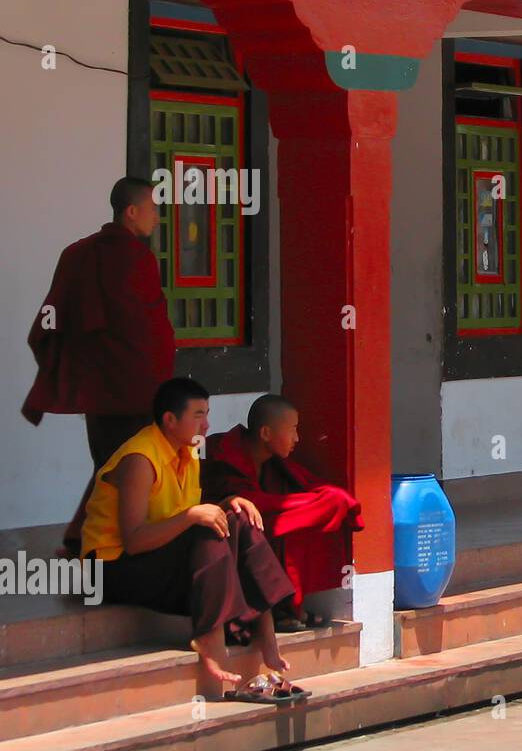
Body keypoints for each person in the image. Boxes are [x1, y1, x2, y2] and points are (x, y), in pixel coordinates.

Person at [81, 377, 295, 691]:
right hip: (111, 569)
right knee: (204, 534)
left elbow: (183, 516)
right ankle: (210, 640)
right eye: (198, 415)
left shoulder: (186, 451)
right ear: (170, 420)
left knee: (238, 519)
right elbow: (135, 540)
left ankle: (266, 631)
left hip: (159, 557)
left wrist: (225, 504)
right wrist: (192, 516)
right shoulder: (139, 460)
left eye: (207, 414)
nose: (207, 425)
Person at [23, 177, 175, 557]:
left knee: (108, 461)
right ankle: (101, 539)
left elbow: (51, 317)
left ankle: (82, 534)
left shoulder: (76, 253)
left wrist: (67, 369)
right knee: (122, 464)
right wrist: (161, 383)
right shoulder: (138, 259)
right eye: (153, 208)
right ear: (131, 212)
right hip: (135, 385)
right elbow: (149, 328)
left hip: (97, 387)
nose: (157, 218)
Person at [201, 394, 363, 632]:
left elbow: (307, 489)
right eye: (293, 430)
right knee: (273, 524)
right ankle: (276, 610)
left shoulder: (273, 463)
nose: (297, 438)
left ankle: (287, 607)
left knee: (313, 513)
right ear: (266, 434)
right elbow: (242, 503)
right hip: (221, 536)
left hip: (262, 520)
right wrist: (311, 505)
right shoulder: (226, 453)